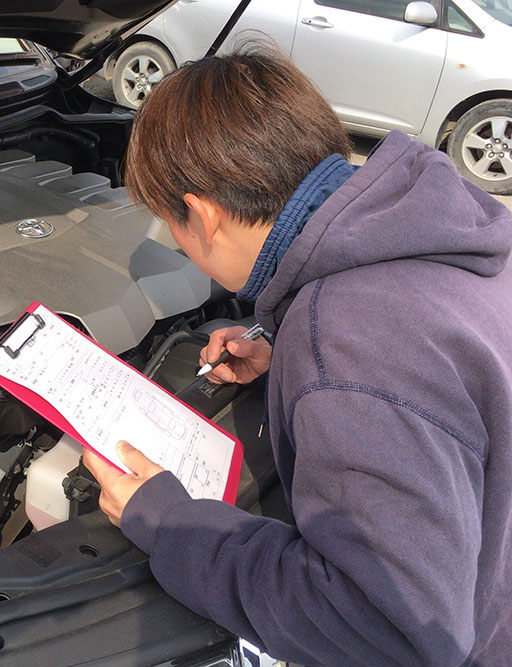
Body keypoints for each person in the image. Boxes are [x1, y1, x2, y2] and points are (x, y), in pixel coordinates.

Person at [82, 49, 512, 665]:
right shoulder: (451, 228)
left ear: (201, 215)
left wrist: (172, 524)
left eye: (167, 225)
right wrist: (285, 355)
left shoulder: (350, 344)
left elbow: (386, 630)